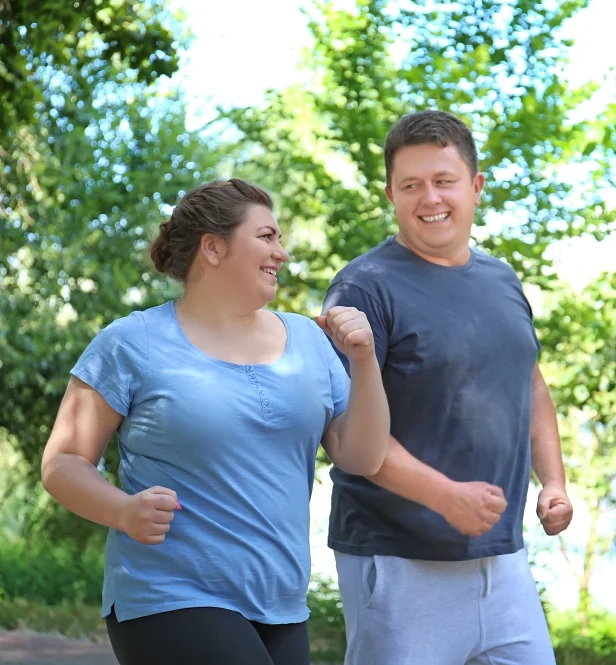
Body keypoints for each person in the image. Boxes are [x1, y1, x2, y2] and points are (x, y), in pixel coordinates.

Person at [41, 178, 390, 665]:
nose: (282, 254)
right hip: (168, 595)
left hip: (281, 603)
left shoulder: (309, 342)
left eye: (280, 238)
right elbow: (63, 463)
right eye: (267, 237)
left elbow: (363, 456)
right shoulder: (132, 343)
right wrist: (122, 511)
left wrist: (366, 359)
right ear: (213, 248)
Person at [322, 110, 574, 665]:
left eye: (443, 181)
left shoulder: (502, 281)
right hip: (398, 562)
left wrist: (552, 482)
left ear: (476, 187)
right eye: (411, 185)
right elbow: (345, 432)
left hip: (503, 561)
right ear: (391, 194)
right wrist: (444, 496)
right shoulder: (362, 288)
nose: (428, 198)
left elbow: (529, 387)